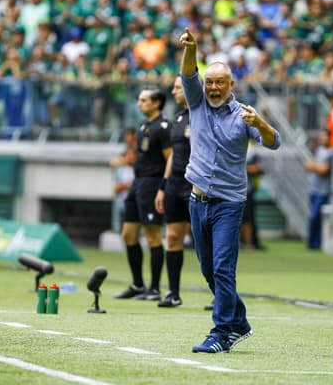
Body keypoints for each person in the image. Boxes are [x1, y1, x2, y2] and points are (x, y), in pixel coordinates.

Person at [179, 27, 281, 353]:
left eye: (219, 82)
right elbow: (188, 72)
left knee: (223, 268)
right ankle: (239, 320)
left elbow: (274, 142)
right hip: (197, 200)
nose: (212, 87)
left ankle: (221, 333)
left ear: (231, 85)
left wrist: (261, 124)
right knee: (209, 271)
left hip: (228, 204)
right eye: (209, 82)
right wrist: (191, 48)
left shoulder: (244, 115)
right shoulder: (197, 103)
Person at [114, 88, 171, 301]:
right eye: (139, 100)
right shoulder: (143, 126)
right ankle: (138, 284)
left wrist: (163, 187)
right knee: (128, 234)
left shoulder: (163, 128)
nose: (140, 104)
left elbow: (170, 159)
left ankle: (154, 288)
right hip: (137, 183)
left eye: (144, 100)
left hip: (152, 184)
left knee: (152, 236)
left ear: (157, 103)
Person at [153, 76, 191, 308]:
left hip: (197, 184)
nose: (174, 91)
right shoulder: (177, 118)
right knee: (173, 237)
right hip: (175, 184)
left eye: (178, 87)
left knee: (206, 241)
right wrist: (163, 186)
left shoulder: (204, 115)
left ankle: (219, 296)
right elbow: (174, 155)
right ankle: (173, 293)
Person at [303, 130, 333, 250]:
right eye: (321, 136)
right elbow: (307, 165)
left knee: (317, 217)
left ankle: (317, 243)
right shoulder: (319, 151)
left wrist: (315, 167)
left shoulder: (331, 152)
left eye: (325, 136)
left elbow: (324, 170)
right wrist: (317, 167)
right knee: (312, 217)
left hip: (324, 191)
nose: (322, 138)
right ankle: (312, 243)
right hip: (314, 190)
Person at [240, 143, 264, 250]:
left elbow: (258, 168)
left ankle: (249, 243)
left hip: (247, 189)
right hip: (236, 189)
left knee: (248, 218)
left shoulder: (250, 149)